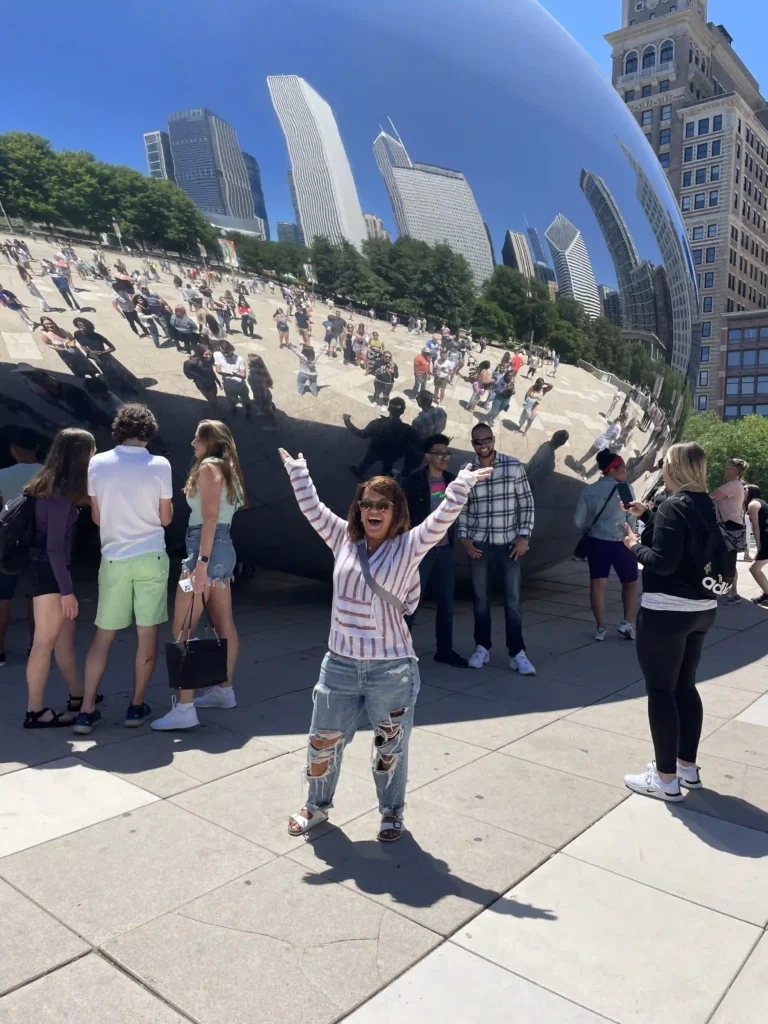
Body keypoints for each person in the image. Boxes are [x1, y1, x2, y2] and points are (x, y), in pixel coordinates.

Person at [278, 446, 491, 840]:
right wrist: (298, 471)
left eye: (382, 505)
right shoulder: (342, 538)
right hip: (339, 665)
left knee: (388, 751)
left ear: (396, 512)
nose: (373, 511)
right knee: (322, 742)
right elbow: (312, 508)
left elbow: (442, 519)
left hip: (390, 670)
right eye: (366, 504)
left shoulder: (409, 546)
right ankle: (316, 805)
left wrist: (460, 486)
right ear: (358, 509)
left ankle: (391, 813)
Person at [622, 442, 726, 801]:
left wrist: (633, 544)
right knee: (685, 686)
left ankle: (665, 780)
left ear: (673, 468)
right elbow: (686, 546)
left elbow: (662, 561)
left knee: (661, 692)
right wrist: (650, 517)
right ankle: (686, 767)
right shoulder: (705, 505)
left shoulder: (672, 505)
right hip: (702, 609)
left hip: (666, 611)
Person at [73, 405, 173, 734]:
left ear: (118, 429)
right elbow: (165, 518)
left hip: (114, 556)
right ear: (149, 431)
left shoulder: (98, 463)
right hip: (150, 556)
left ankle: (86, 710)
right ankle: (135, 706)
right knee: (147, 635)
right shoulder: (160, 464)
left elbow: (98, 518)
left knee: (104, 635)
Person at [152, 421, 245, 730]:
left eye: (197, 437)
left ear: (209, 441)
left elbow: (208, 517)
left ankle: (185, 708)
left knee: (182, 626)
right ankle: (224, 691)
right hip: (221, 549)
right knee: (224, 624)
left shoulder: (208, 468)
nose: (192, 442)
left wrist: (200, 563)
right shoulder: (228, 467)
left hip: (203, 550)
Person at [23, 428, 96, 729]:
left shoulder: (51, 484)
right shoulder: (58, 493)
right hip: (50, 574)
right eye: (91, 451)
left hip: (50, 571)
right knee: (44, 641)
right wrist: (66, 591)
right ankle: (35, 710)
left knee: (64, 638)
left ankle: (78, 695)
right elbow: (53, 547)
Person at [459, 423, 536, 675]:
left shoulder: (513, 466)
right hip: (479, 544)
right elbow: (463, 507)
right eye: (477, 442)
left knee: (512, 600)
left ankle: (517, 653)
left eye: (487, 440)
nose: (483, 445)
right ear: (473, 444)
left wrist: (524, 535)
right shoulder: (467, 471)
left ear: (494, 439)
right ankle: (482, 647)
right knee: (481, 600)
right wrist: (464, 538)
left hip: (508, 544)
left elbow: (526, 502)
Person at [404, 435, 468, 667]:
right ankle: (399, 652)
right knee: (410, 603)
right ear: (428, 456)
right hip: (420, 552)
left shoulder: (452, 482)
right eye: (440, 453)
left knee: (446, 604)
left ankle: (444, 650)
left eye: (447, 453)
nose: (445, 458)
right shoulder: (413, 482)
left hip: (444, 552)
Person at [574, 450, 638, 642]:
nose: (625, 472)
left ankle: (601, 627)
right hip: (621, 542)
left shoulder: (589, 490)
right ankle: (627, 623)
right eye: (623, 468)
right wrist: (632, 535)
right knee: (631, 583)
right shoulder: (625, 489)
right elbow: (631, 518)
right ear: (613, 470)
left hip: (596, 542)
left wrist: (591, 529)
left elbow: (578, 520)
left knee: (598, 584)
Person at [0, 428, 42, 666]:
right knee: (36, 599)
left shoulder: (2, 476)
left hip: (8, 546)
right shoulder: (50, 475)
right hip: (40, 545)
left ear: (13, 450)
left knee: (2, 598)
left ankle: (0, 652)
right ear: (37, 448)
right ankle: (35, 649)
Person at [344, 398, 420, 479]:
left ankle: (359, 472)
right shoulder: (407, 429)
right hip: (392, 455)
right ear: (403, 411)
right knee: (387, 465)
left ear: (389, 409)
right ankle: (385, 475)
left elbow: (362, 434)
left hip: (375, 451)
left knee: (366, 462)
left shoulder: (377, 423)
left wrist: (347, 421)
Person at [710, 458, 748, 603]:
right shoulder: (736, 485)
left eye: (727, 468)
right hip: (733, 525)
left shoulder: (732, 485)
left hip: (730, 526)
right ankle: (733, 592)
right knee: (729, 561)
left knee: (727, 561)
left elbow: (711, 497)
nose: (725, 470)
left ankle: (730, 594)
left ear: (735, 470)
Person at [72, 318, 140, 394]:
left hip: (107, 358)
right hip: (96, 358)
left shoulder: (98, 337)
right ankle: (117, 388)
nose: (82, 328)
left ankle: (131, 388)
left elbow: (113, 348)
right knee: (108, 374)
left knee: (120, 373)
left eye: (84, 326)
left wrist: (102, 352)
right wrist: (90, 352)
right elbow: (83, 345)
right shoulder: (77, 334)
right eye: (79, 326)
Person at [214, 340, 251, 416]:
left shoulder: (239, 359)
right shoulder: (217, 355)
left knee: (245, 399)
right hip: (227, 384)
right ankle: (233, 409)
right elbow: (218, 370)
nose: (225, 354)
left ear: (231, 349)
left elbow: (243, 375)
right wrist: (227, 374)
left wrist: (235, 375)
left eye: (227, 352)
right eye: (223, 352)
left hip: (239, 384)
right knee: (231, 399)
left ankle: (248, 413)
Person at [745, 485, 768, 605]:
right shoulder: (761, 503)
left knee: (754, 569)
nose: (742, 490)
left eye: (745, 489)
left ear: (751, 492)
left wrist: (758, 544)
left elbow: (755, 526)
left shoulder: (753, 504)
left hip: (766, 539)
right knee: (756, 568)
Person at [184, 344, 220, 409]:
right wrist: (198, 376)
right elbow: (188, 373)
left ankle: (214, 404)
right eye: (206, 354)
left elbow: (211, 370)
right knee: (211, 399)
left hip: (211, 380)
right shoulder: (191, 363)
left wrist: (218, 382)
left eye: (210, 354)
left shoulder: (211, 359)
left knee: (215, 394)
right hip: (202, 383)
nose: (209, 356)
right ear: (200, 354)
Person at [247, 353, 277, 427]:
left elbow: (262, 388)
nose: (246, 361)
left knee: (268, 411)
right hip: (259, 392)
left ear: (252, 363)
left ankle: (273, 425)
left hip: (262, 394)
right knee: (265, 407)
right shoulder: (259, 370)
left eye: (247, 360)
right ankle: (263, 411)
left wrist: (262, 399)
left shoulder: (256, 373)